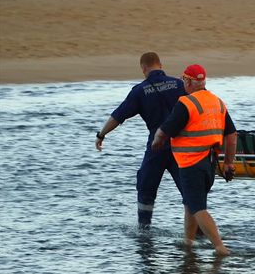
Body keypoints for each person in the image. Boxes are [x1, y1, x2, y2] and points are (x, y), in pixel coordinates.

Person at [151, 64, 237, 256]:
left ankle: (219, 247)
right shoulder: (217, 102)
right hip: (210, 164)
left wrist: (157, 140)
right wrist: (229, 163)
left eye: (183, 80)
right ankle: (188, 243)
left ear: (188, 81)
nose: (183, 83)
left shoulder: (187, 103)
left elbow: (165, 130)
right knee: (190, 203)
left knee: (198, 207)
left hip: (191, 163)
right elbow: (232, 136)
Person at [95, 52, 186, 228]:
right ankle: (197, 230)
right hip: (181, 146)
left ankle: (144, 230)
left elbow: (118, 116)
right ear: (160, 65)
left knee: (146, 187)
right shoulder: (178, 84)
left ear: (143, 68)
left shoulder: (139, 91)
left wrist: (101, 135)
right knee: (188, 189)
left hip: (156, 147)